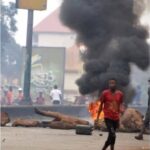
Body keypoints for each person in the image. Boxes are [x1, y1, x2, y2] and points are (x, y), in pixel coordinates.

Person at [96, 78, 124, 150]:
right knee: (113, 134)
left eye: (113, 83)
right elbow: (101, 105)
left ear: (116, 84)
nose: (112, 85)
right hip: (108, 117)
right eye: (110, 83)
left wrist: (120, 115)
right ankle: (112, 148)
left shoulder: (120, 94)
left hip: (116, 118)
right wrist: (98, 117)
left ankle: (104, 148)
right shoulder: (105, 93)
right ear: (108, 85)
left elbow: (120, 105)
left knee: (111, 135)